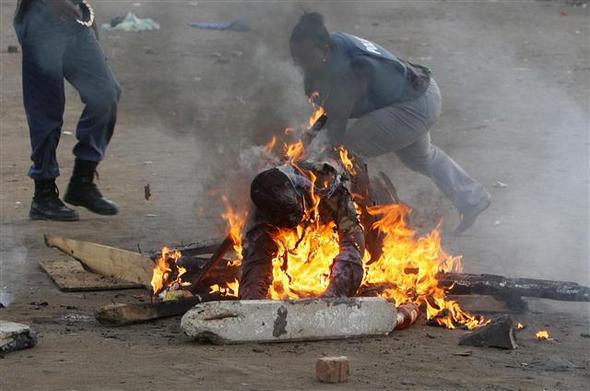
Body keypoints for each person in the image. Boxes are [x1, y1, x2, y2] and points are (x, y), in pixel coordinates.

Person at [289, 12, 491, 234]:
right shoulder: (333, 45)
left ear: (324, 50)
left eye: (306, 59)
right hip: (419, 93)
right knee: (419, 157)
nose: (302, 67)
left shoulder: (350, 69)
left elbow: (337, 122)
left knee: (347, 151)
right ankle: (472, 198)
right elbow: (330, 110)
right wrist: (310, 137)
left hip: (413, 105)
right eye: (297, 60)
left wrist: (312, 159)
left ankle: (357, 220)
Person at [14, 0, 120, 221]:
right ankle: (43, 195)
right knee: (47, 111)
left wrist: (86, 12)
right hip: (40, 20)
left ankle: (82, 182)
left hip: (75, 18)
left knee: (105, 92)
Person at [239, 157, 365, 299]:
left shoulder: (326, 184)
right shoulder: (262, 205)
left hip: (336, 215)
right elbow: (256, 262)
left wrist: (333, 296)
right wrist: (252, 305)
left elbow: (352, 241)